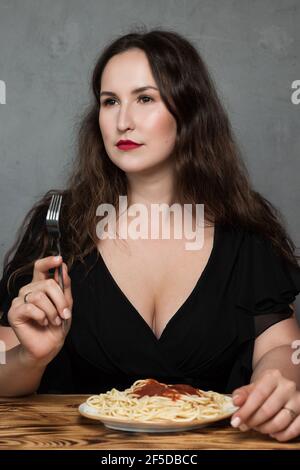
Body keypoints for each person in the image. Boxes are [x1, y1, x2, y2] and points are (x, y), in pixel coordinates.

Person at [1, 28, 300, 442]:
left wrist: (277, 384)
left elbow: (281, 348)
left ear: (189, 110)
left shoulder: (244, 229)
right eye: (110, 102)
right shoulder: (58, 225)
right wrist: (29, 357)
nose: (123, 120)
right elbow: (4, 371)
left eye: (145, 98)